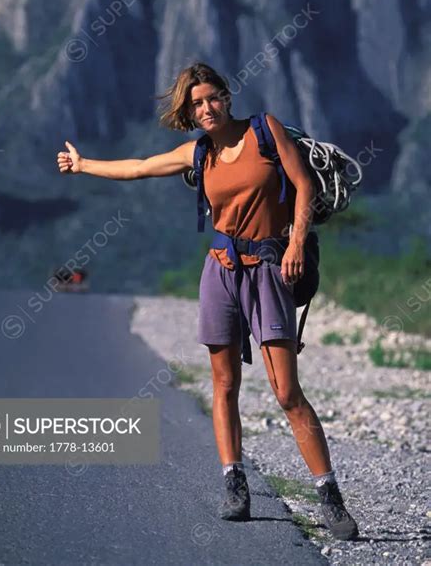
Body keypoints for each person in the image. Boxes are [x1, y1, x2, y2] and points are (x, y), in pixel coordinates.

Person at [56, 62, 359, 541]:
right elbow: (138, 168)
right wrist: (83, 164)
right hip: (220, 271)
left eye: (212, 97)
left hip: (270, 268)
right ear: (190, 111)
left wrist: (297, 242)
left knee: (286, 392)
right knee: (224, 383)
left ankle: (329, 497)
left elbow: (303, 185)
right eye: (196, 103)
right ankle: (234, 484)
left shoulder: (265, 131)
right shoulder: (199, 153)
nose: (206, 108)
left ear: (227, 96)